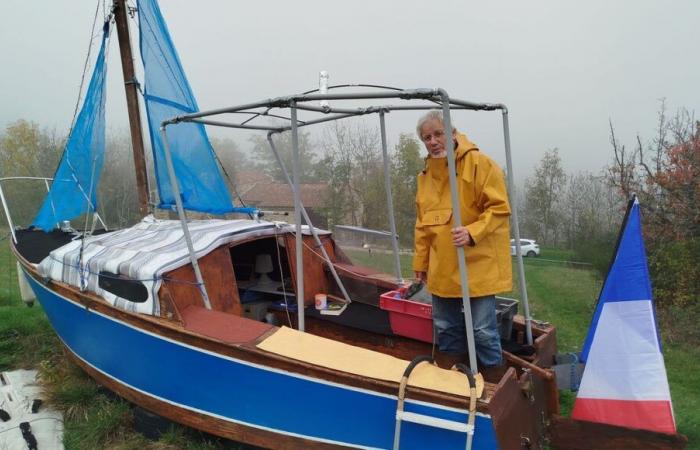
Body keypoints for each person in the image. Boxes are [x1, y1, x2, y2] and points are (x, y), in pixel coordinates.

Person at [413, 111, 512, 371]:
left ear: (452, 133)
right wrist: (421, 262)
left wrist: (472, 232)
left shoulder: (481, 164)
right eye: (426, 138)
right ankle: (451, 378)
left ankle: (492, 382)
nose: (433, 141)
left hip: (477, 265)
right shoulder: (424, 178)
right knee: (446, 328)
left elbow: (499, 209)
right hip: (443, 266)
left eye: (438, 134)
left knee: (482, 330)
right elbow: (422, 225)